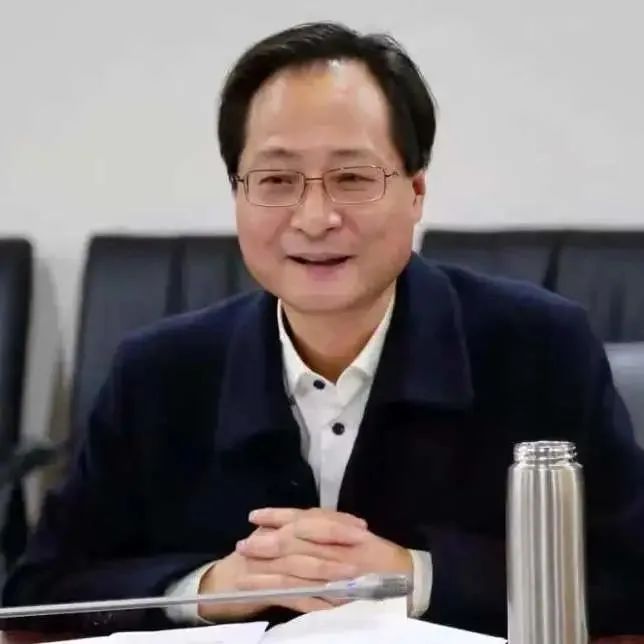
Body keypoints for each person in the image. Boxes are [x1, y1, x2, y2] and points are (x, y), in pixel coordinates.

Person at [3, 21, 644, 639]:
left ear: (416, 191)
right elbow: (39, 595)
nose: (314, 217)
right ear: (237, 193)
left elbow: (628, 573)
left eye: (353, 178)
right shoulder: (157, 373)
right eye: (277, 180)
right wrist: (205, 589)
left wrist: (415, 576)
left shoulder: (539, 347)